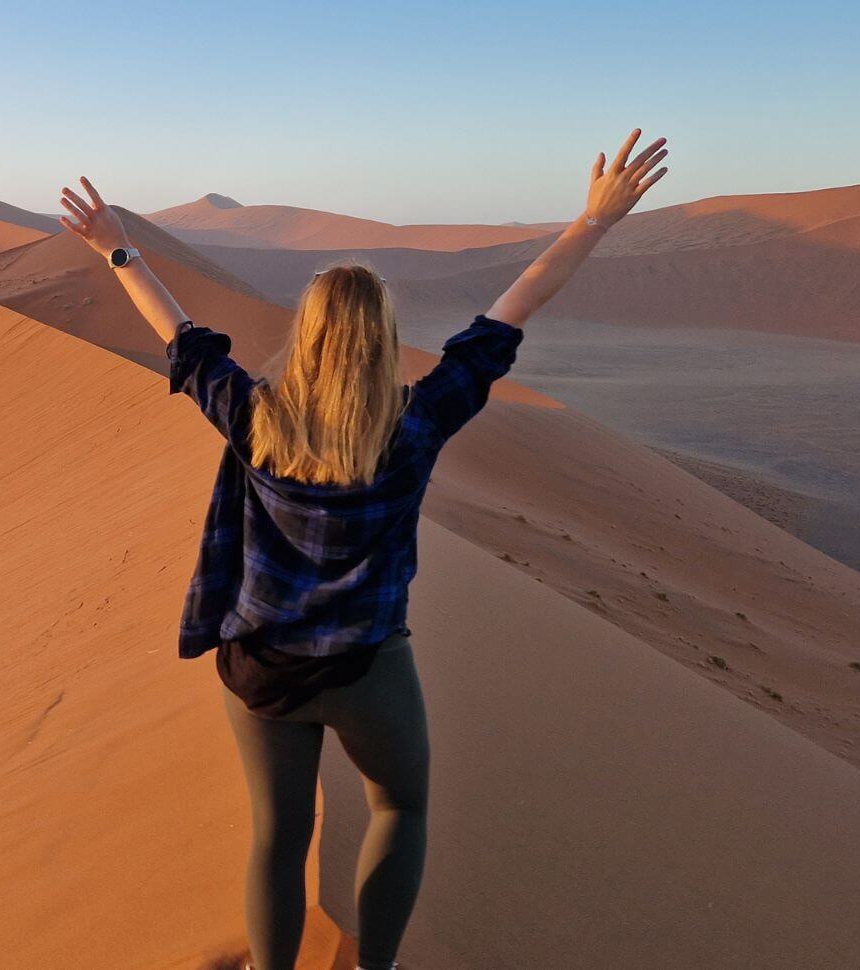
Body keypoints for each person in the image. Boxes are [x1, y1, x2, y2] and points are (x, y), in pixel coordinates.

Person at [57, 130, 669, 970]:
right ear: (381, 339)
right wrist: (592, 223)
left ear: (305, 336)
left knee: (277, 838)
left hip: (260, 667)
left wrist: (116, 248)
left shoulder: (253, 416)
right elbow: (509, 314)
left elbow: (180, 332)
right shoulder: (416, 425)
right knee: (400, 810)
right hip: (367, 667)